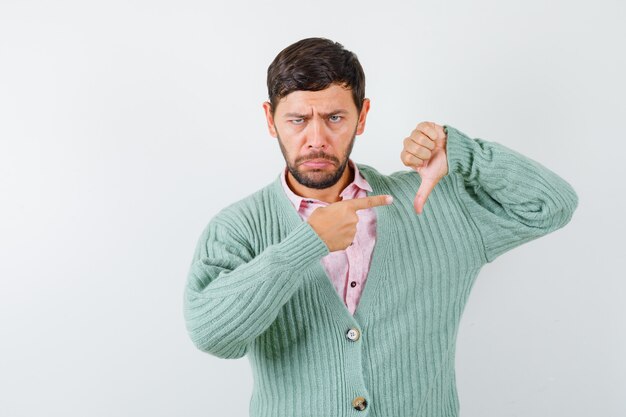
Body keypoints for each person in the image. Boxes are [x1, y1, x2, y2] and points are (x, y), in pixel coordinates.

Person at [183, 37, 578, 417]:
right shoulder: (239, 227)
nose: (316, 139)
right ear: (271, 120)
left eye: (335, 117)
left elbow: (551, 206)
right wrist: (306, 244)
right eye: (298, 120)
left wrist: (463, 155)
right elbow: (213, 335)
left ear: (363, 116)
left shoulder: (431, 203)